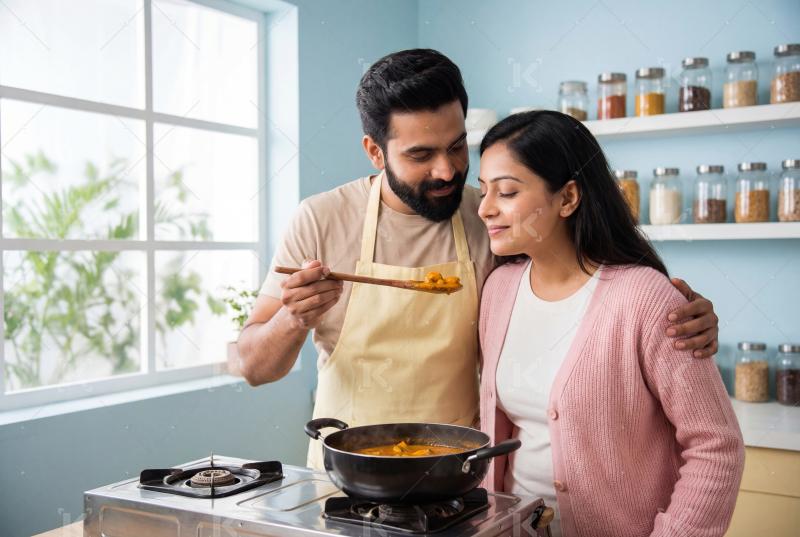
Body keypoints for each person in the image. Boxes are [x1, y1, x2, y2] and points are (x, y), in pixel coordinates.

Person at [237, 49, 721, 470]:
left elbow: (584, 288)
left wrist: (677, 318)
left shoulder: (489, 217)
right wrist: (293, 317)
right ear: (375, 152)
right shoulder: (320, 219)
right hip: (348, 472)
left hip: (460, 473)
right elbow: (254, 367)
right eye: (421, 154)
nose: (447, 170)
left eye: (455, 146)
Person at [477, 110, 744, 537]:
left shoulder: (644, 297)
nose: (486, 208)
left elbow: (717, 446)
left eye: (506, 192)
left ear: (567, 198)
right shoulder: (499, 290)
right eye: (483, 190)